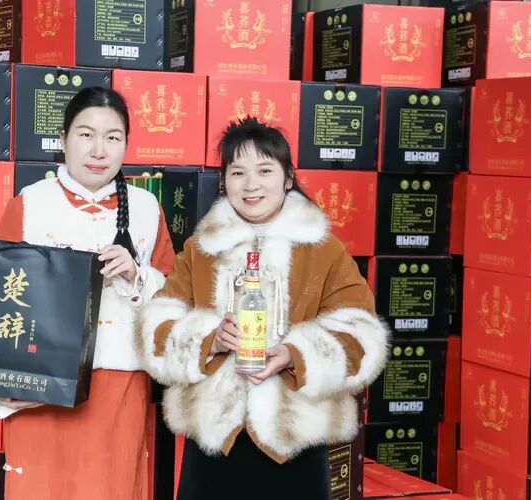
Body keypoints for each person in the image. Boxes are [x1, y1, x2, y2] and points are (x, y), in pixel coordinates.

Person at [137, 117, 389, 499]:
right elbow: (157, 326)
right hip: (214, 442)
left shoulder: (323, 250)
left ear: (288, 178)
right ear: (224, 182)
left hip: (295, 439)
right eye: (237, 172)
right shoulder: (200, 250)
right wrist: (209, 340)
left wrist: (295, 354)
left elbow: (361, 332)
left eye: (265, 170)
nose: (251, 184)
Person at [0, 87, 175, 499]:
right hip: (42, 384)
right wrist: (5, 383)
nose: (99, 150)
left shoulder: (147, 208)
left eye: (113, 137)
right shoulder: (30, 203)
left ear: (126, 144)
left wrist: (136, 276)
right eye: (86, 134)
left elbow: (173, 302)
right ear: (63, 139)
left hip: (119, 384)